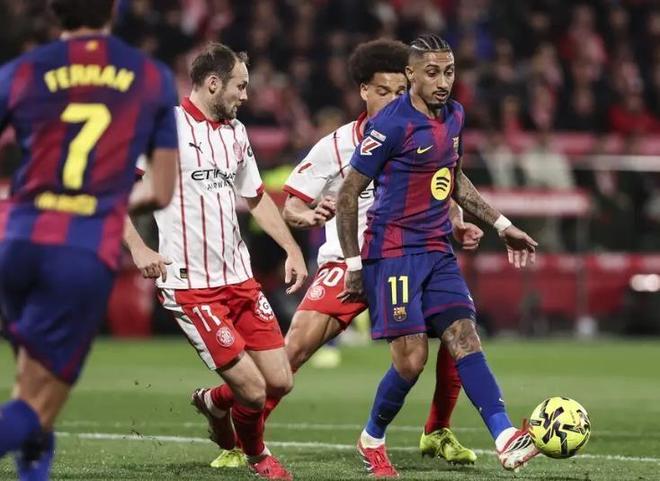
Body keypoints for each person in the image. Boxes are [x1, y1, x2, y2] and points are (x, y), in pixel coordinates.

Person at [336, 34, 540, 477]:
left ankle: (505, 437)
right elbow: (347, 194)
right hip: (393, 252)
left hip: (437, 249)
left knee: (465, 336)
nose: (443, 82)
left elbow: (455, 177)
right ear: (410, 74)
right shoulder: (389, 125)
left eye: (449, 72)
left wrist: (502, 225)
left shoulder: (455, 115)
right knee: (411, 362)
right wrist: (353, 265)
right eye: (432, 73)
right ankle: (371, 438)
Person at [280, 39, 482, 466]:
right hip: (349, 262)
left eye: (400, 90)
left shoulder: (420, 128)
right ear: (364, 91)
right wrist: (309, 214)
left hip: (406, 256)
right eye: (383, 91)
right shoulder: (336, 145)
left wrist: (457, 219)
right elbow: (292, 205)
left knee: (456, 332)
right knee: (291, 353)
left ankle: (437, 430)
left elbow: (441, 184)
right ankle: (238, 424)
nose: (393, 99)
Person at [0, 0, 178, 480]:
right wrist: (102, 200)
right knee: (38, 407)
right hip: (79, 253)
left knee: (29, 389)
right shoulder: (150, 76)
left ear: (54, 14)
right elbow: (162, 189)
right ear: (113, 12)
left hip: (16, 245)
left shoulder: (20, 71)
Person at [123, 42, 307, 481]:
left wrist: (292, 248)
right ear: (212, 83)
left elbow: (256, 197)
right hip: (191, 287)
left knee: (280, 381)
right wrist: (139, 248)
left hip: (239, 279)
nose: (245, 95)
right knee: (254, 392)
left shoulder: (236, 132)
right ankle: (257, 456)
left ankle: (212, 402)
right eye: (239, 86)